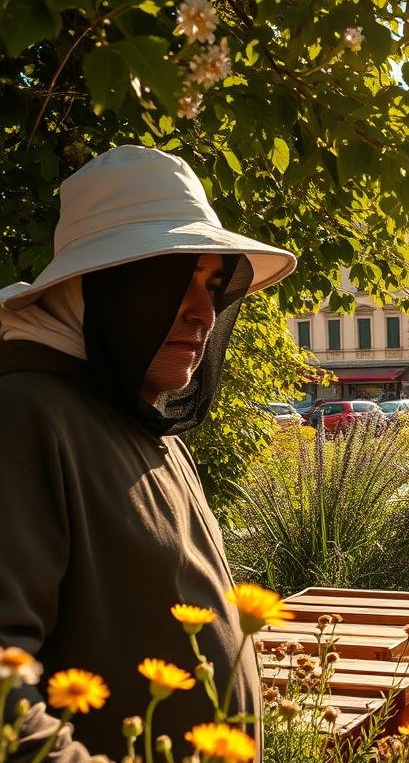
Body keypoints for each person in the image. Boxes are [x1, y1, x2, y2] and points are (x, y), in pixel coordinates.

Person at [0, 146, 297, 760]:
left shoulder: (135, 416)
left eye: (213, 284)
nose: (203, 313)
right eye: (172, 282)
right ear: (94, 291)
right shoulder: (24, 418)